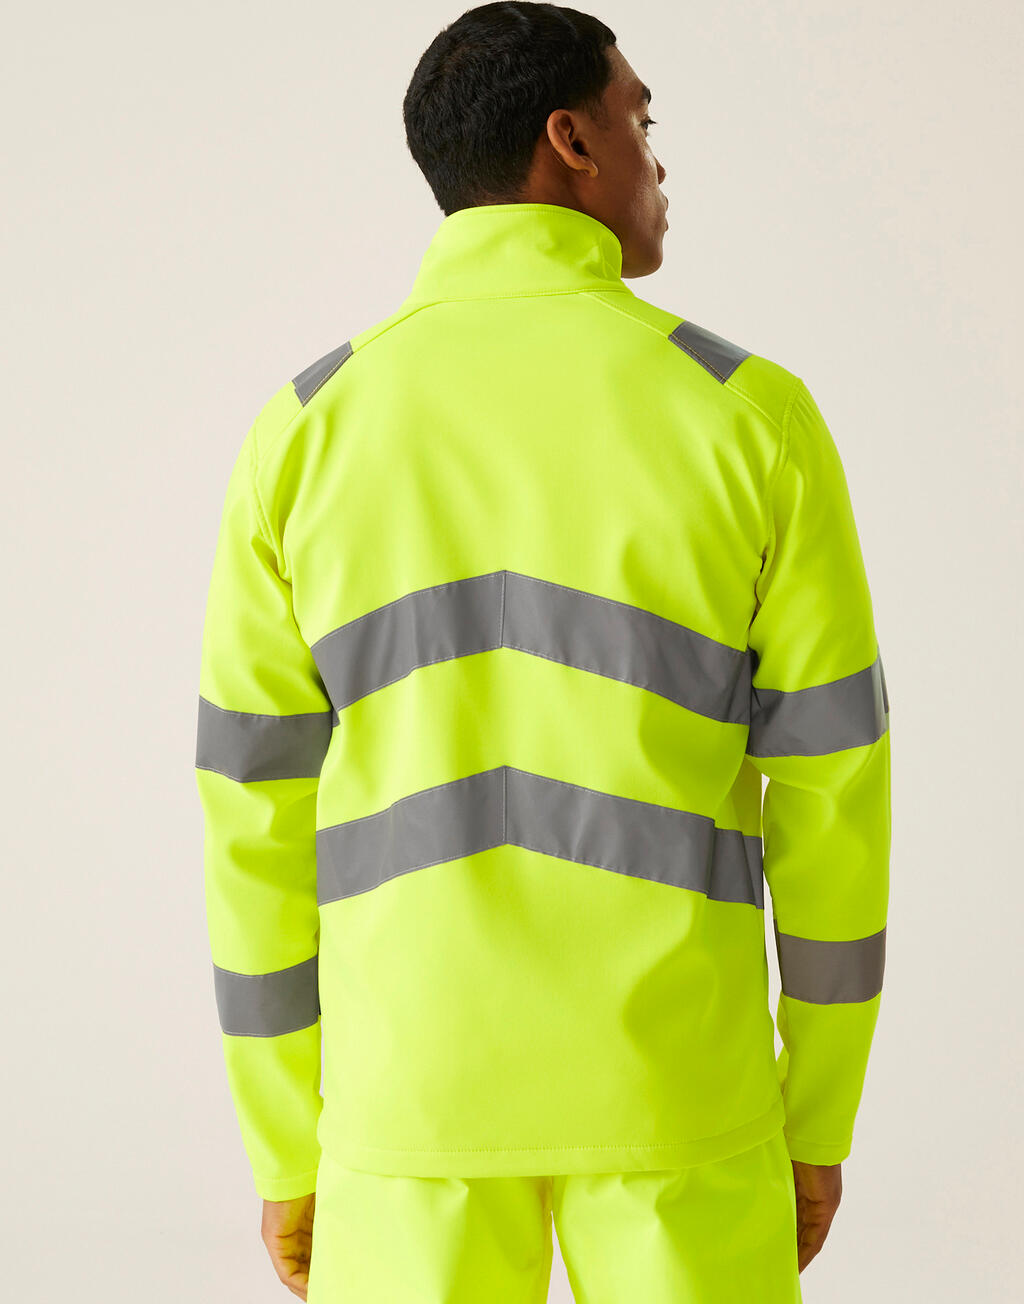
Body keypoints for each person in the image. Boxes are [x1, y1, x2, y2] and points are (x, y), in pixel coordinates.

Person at [194, 4, 891, 1300]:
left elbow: (250, 813)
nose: (657, 161)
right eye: (641, 122)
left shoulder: (306, 431)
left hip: (410, 1117)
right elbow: (834, 791)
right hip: (685, 1098)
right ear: (570, 141)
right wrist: (818, 1112)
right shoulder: (751, 418)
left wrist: (288, 1141)